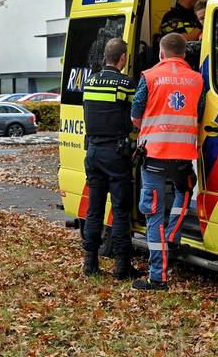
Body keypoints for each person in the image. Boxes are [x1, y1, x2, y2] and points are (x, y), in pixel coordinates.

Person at [131, 33, 205, 291]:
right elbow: (199, 112)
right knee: (185, 190)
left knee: (153, 214)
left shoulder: (149, 77)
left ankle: (158, 277)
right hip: (183, 156)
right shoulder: (198, 79)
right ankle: (173, 235)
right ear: (184, 54)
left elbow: (136, 116)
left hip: (154, 156)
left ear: (161, 54)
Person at [81, 38, 141, 280]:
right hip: (115, 153)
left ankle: (90, 263)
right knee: (120, 210)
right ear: (123, 57)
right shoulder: (125, 83)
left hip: (93, 151)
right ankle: (121, 266)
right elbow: (134, 115)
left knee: (94, 209)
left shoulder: (90, 81)